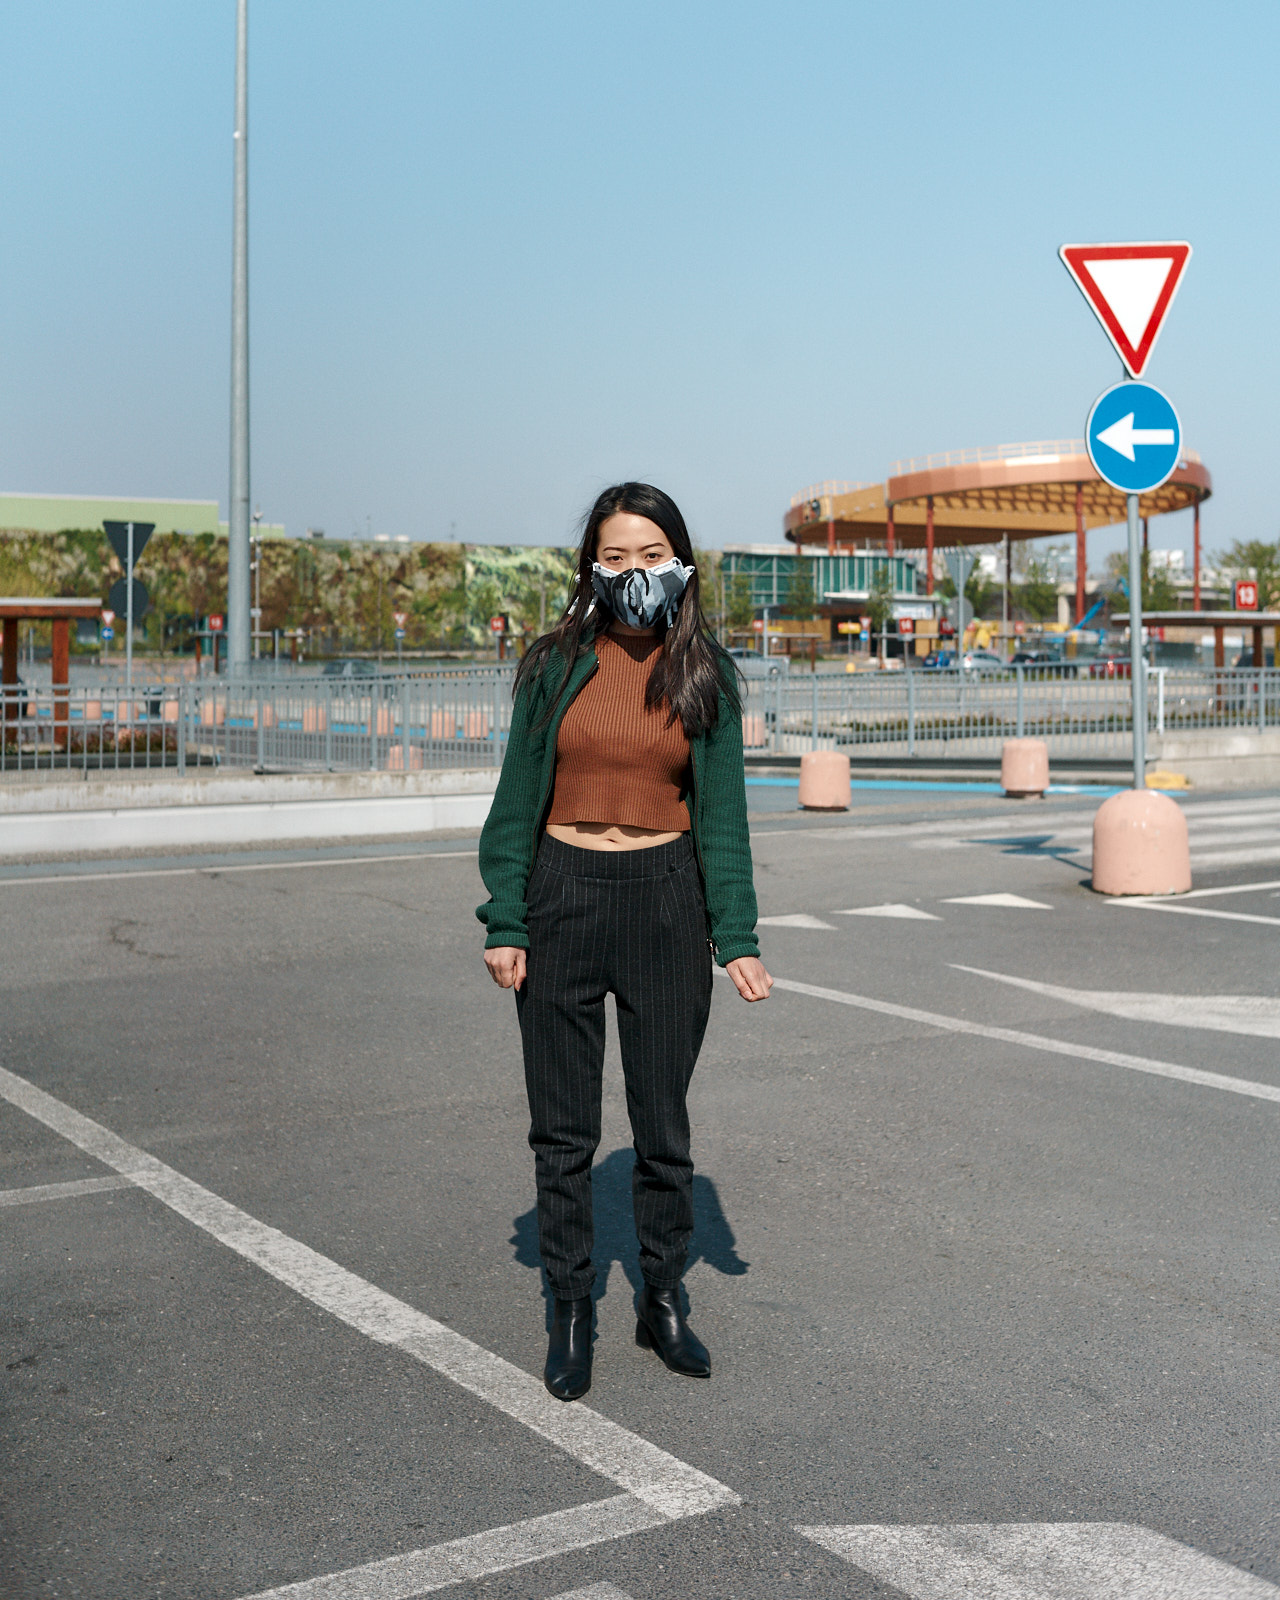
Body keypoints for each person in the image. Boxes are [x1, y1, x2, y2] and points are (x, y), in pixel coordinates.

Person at [477, 481, 772, 1402]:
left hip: (666, 902)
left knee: (661, 1124)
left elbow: (722, 819)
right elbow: (517, 800)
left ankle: (662, 1295)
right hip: (563, 894)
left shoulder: (704, 674)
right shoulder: (552, 665)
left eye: (650, 556)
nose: (633, 573)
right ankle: (570, 1307)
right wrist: (507, 918)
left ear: (680, 563)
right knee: (562, 1131)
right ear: (590, 566)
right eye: (614, 556)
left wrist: (739, 937)